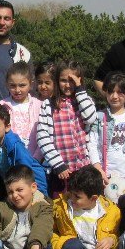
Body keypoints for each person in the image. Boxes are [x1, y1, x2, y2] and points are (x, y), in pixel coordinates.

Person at [36, 60, 96, 194]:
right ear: (57, 81)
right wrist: (58, 164)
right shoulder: (49, 104)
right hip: (61, 170)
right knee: (61, 207)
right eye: (63, 80)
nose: (68, 85)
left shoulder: (85, 101)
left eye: (72, 81)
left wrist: (80, 90)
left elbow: (90, 118)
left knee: (83, 204)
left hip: (83, 167)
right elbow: (43, 137)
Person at [0, 105, 47, 206]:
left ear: (7, 127)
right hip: (9, 188)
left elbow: (25, 172)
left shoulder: (15, 145)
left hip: (32, 185)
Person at [89, 71, 125, 184]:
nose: (114, 96)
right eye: (110, 91)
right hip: (105, 176)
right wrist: (98, 170)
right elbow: (92, 145)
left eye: (120, 92)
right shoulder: (99, 117)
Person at [0, 62, 41, 153]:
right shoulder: (2, 105)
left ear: (31, 84)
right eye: (13, 86)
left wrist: (36, 159)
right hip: (10, 158)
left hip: (34, 159)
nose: (17, 90)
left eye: (22, 85)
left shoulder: (39, 105)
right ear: (7, 84)